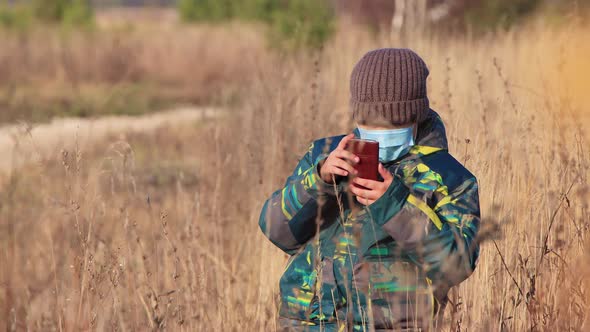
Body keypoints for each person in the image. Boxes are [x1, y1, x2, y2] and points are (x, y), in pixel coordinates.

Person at [258, 48, 481, 331]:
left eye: (393, 123)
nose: (379, 132)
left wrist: (394, 204)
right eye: (369, 121)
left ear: (415, 116)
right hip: (308, 324)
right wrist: (320, 181)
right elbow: (276, 230)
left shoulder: (449, 177)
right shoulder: (324, 154)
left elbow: (457, 264)